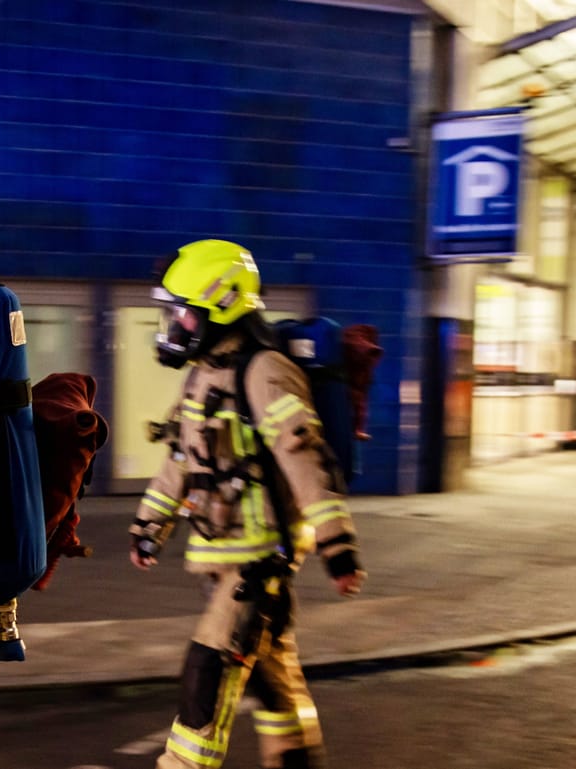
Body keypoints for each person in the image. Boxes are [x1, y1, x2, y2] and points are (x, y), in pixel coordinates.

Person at [128, 239, 366, 769]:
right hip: (220, 555)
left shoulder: (265, 373)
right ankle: (297, 756)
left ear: (222, 304)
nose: (175, 326)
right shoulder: (204, 374)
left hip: (259, 561)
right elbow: (180, 460)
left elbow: (306, 460)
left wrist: (338, 549)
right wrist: (149, 525)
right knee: (272, 670)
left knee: (207, 671)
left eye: (183, 315)